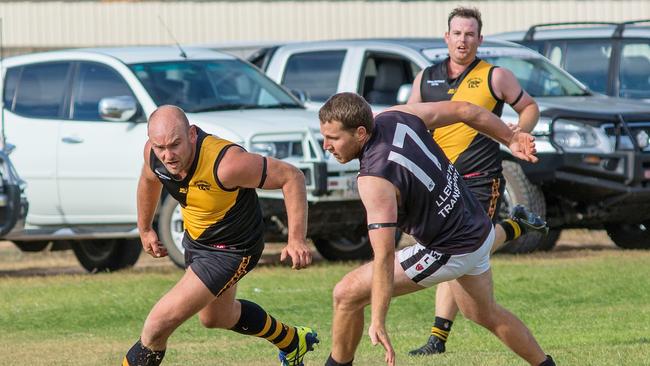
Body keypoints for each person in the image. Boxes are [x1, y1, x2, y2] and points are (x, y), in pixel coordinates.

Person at [319, 92, 555, 366]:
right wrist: (510, 137)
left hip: (449, 248)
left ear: (360, 132)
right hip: (475, 225)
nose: (326, 145)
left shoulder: (374, 179)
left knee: (346, 294)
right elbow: (465, 109)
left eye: (333, 138)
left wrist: (378, 320)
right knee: (482, 313)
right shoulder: (395, 115)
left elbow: (383, 255)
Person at [122, 105, 318, 366]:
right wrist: (145, 228)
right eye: (160, 147)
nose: (167, 155)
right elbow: (149, 180)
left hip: (233, 249)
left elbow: (291, 177)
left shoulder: (226, 163)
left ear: (192, 134)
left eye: (175, 144)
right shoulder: (154, 154)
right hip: (197, 241)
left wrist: (296, 239)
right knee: (217, 317)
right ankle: (293, 341)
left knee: (158, 325)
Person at [407, 6, 547, 356]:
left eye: (470, 34)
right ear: (446, 37)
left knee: (461, 248)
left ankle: (437, 338)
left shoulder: (495, 76)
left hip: (480, 176)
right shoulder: (426, 77)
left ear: (479, 39)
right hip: (439, 181)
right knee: (449, 247)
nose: (463, 40)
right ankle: (515, 226)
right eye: (457, 33)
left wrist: (520, 132)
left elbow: (529, 107)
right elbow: (409, 121)